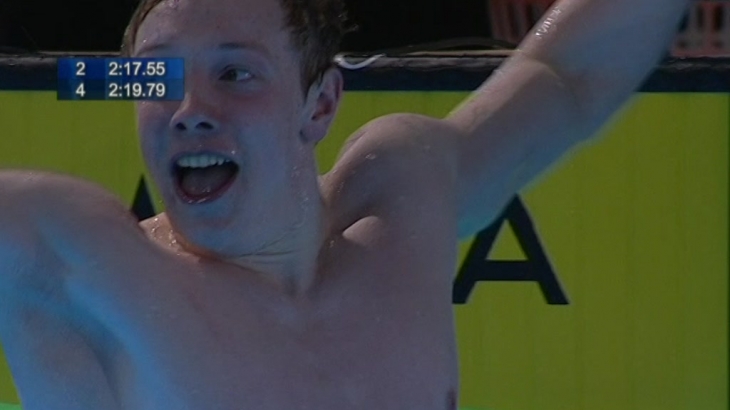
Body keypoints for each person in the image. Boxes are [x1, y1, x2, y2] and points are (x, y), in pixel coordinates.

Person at [0, 0, 690, 409]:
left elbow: (564, 76)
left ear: (320, 104)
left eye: (234, 73)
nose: (189, 110)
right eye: (161, 78)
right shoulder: (81, 265)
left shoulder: (401, 201)